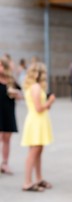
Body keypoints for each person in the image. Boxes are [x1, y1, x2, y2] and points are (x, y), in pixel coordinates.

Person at [21, 62, 56, 192]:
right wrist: (50, 101)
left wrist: (48, 103)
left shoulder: (35, 86)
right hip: (36, 121)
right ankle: (27, 182)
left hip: (39, 120)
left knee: (38, 151)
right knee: (33, 152)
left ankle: (38, 178)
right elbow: (39, 108)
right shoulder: (35, 87)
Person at [0, 58, 22, 175]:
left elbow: (21, 93)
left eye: (2, 66)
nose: (1, 68)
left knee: (7, 138)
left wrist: (16, 94)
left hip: (8, 111)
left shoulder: (11, 80)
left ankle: (5, 163)